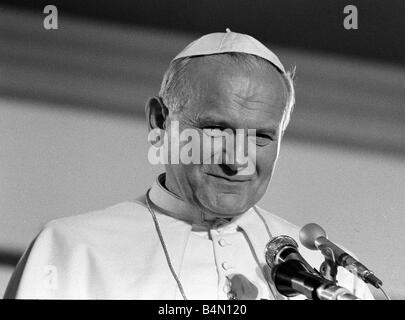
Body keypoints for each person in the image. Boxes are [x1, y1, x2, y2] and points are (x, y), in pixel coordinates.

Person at [4, 29, 374, 300]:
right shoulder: (70, 250)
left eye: (262, 136)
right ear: (160, 121)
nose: (236, 160)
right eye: (215, 129)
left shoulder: (332, 274)